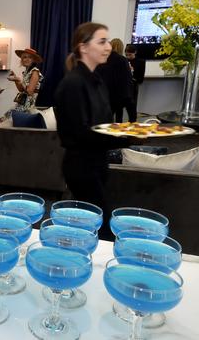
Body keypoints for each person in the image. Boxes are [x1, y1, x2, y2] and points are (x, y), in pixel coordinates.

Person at [54, 22, 130, 241]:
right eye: (102, 41)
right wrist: (125, 139)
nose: (108, 47)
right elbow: (80, 133)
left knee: (93, 224)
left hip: (98, 161)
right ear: (83, 47)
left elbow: (102, 124)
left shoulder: (96, 81)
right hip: (81, 165)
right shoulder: (73, 84)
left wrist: (123, 132)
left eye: (108, 41)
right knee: (105, 226)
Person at [0, 48, 44, 122]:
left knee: (4, 120)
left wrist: (19, 80)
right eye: (24, 57)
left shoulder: (35, 71)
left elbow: (29, 92)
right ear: (21, 59)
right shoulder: (26, 72)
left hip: (28, 106)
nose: (26, 59)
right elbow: (21, 89)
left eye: (30, 57)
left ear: (33, 60)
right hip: (22, 103)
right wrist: (16, 80)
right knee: (3, 120)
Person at [95, 38, 133, 122]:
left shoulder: (101, 59)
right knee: (119, 118)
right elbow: (127, 79)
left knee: (106, 120)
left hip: (104, 94)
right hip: (119, 95)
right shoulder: (123, 60)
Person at [125, 44, 146, 122]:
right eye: (126, 55)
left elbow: (141, 78)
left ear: (135, 52)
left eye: (130, 55)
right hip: (124, 85)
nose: (128, 57)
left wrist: (132, 72)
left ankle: (132, 122)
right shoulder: (124, 60)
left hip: (133, 85)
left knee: (132, 106)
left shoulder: (140, 62)